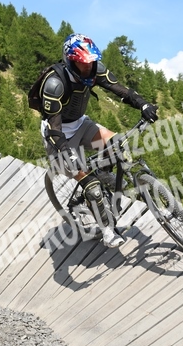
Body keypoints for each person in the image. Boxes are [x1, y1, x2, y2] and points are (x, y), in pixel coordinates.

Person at [41, 33, 158, 248]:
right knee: (92, 187)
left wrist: (142, 104)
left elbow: (121, 90)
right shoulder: (54, 84)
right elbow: (54, 130)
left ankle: (104, 172)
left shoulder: (95, 68)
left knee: (117, 145)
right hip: (58, 139)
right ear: (70, 62)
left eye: (91, 63)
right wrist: (67, 154)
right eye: (83, 64)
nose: (89, 68)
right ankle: (107, 231)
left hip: (80, 124)